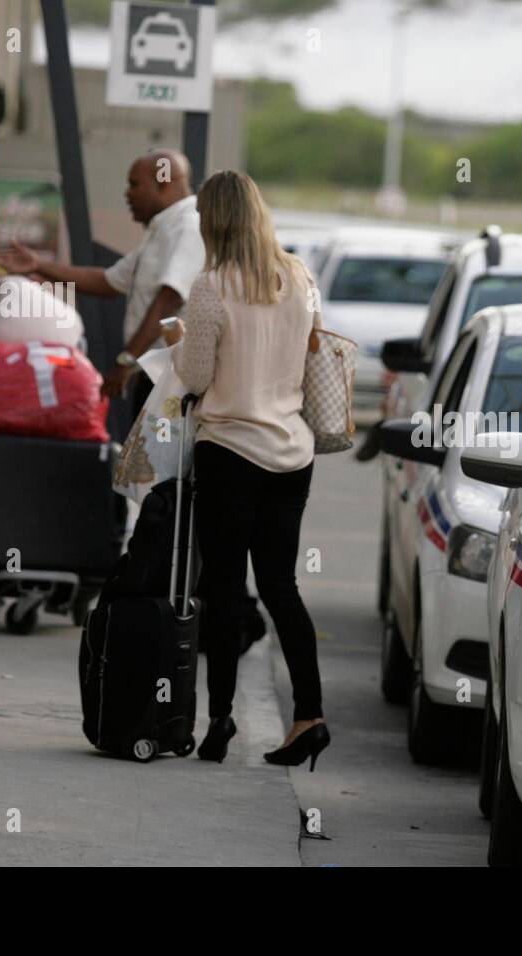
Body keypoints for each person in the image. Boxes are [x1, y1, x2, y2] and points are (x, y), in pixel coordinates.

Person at [164, 170, 330, 769]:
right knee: (281, 587)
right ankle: (308, 716)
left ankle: (220, 721)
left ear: (213, 221)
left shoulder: (212, 285)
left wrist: (180, 339)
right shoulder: (300, 277)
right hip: (291, 453)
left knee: (225, 588)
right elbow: (310, 359)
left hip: (230, 449)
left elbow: (197, 377)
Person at [0, 148, 203, 422]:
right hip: (154, 378)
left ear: (163, 181)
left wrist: (126, 360)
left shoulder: (188, 226)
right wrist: (37, 265)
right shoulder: (162, 229)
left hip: (171, 382)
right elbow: (108, 281)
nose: (127, 194)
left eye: (134, 184)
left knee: (161, 457)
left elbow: (168, 300)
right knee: (148, 458)